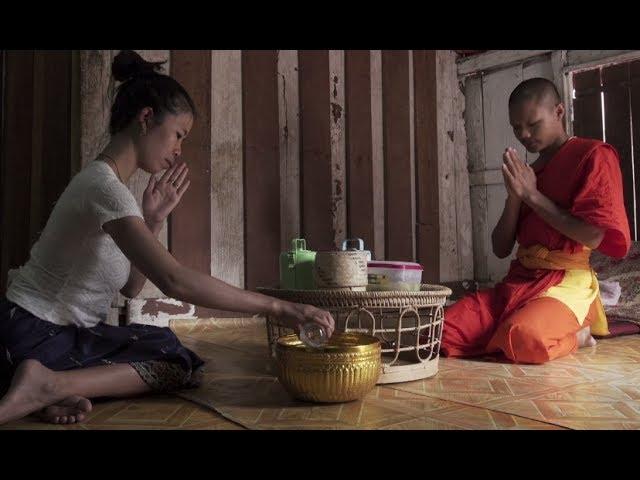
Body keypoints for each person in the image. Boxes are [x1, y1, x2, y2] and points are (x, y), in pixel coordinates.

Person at [0, 50, 335, 426]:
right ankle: (47, 385)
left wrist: (154, 219)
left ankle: (51, 388)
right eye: (178, 135)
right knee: (173, 361)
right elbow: (172, 280)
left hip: (47, 334)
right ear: (146, 118)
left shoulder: (113, 193)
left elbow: (129, 288)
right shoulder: (104, 188)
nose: (178, 151)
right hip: (35, 332)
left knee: (168, 349)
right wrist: (279, 308)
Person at [440, 77, 631, 364]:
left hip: (565, 282)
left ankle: (579, 333)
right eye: (516, 127)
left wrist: (532, 195)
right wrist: (515, 197)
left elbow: (592, 236)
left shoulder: (593, 155)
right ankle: (508, 328)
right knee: (439, 330)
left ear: (559, 111)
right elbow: (501, 248)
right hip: (521, 279)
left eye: (533, 124)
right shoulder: (527, 173)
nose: (524, 135)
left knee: (523, 337)